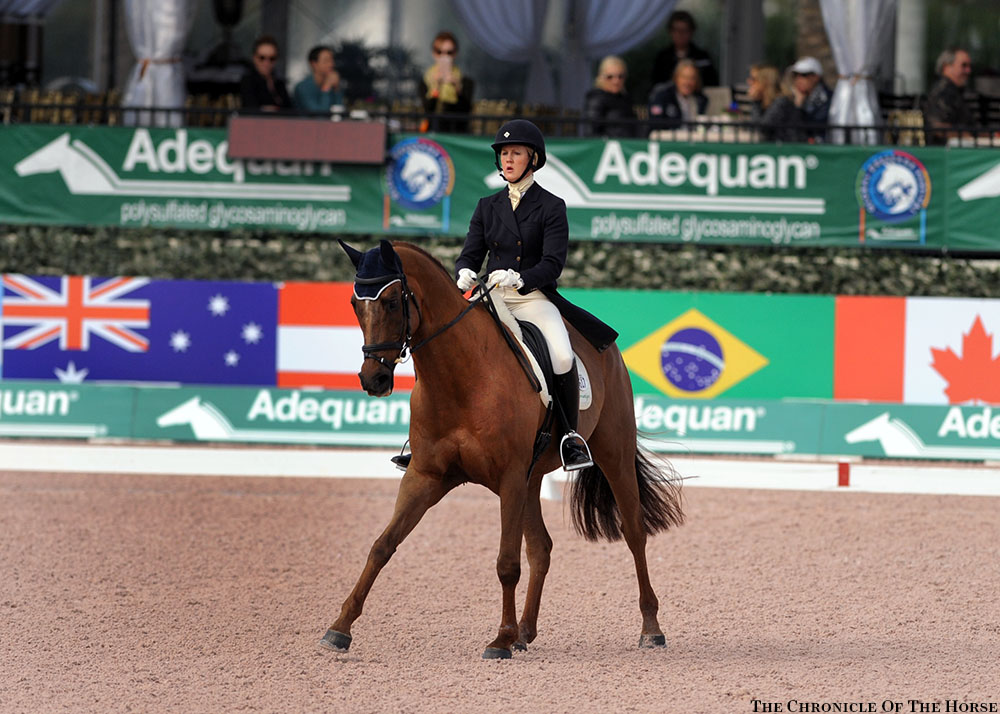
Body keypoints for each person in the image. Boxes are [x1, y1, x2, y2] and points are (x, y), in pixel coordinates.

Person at [391, 120, 618, 473]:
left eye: (516, 153)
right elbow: (471, 253)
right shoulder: (487, 205)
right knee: (443, 344)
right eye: (504, 154)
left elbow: (553, 264)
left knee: (560, 355)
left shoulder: (551, 206)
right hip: (489, 297)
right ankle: (424, 437)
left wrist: (520, 277)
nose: (508, 159)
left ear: (533, 159)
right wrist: (463, 270)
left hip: (532, 298)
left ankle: (570, 437)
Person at [418, 31, 474, 133]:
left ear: (455, 54)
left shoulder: (465, 81)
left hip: (457, 134)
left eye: (449, 52)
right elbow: (427, 110)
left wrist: (457, 87)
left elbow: (466, 111)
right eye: (439, 52)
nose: (444, 56)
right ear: (433, 53)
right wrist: (436, 87)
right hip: (433, 134)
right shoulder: (426, 80)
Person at [650, 10, 719, 89]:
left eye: (685, 30)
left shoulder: (702, 57)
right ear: (670, 32)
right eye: (677, 30)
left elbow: (713, 85)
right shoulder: (662, 58)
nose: (680, 34)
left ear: (692, 32)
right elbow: (656, 86)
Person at [925, 48, 976, 144]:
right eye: (963, 65)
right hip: (945, 155)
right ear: (946, 67)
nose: (968, 70)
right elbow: (937, 127)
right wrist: (967, 135)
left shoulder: (955, 91)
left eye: (969, 66)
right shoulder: (943, 91)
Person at [584, 55, 638, 138]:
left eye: (620, 76)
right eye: (610, 77)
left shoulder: (626, 98)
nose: (616, 81)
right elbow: (591, 130)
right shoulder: (596, 98)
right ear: (601, 77)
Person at [648, 59, 708, 130]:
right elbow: (655, 124)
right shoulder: (663, 96)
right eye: (684, 77)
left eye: (692, 78)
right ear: (676, 78)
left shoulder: (701, 100)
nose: (687, 83)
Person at [747, 64, 801, 142]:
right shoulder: (767, 101)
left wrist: (756, 101)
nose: (750, 83)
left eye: (754, 79)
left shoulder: (781, 101)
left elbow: (763, 127)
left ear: (765, 82)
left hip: (788, 149)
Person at [240, 35, 293, 113]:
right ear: (254, 58)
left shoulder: (279, 83)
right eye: (262, 58)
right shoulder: (248, 81)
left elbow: (290, 110)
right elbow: (251, 109)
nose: (266, 63)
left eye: (272, 58)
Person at [789, 56, 831, 142]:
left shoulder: (825, 99)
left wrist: (798, 107)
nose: (798, 79)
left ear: (815, 77)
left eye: (804, 75)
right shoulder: (794, 97)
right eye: (795, 75)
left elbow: (811, 128)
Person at [294, 45, 344, 115]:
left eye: (332, 60)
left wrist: (336, 89)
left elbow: (339, 111)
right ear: (314, 64)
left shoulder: (333, 85)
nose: (331, 64)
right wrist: (326, 87)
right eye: (326, 61)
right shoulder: (302, 88)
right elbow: (319, 115)